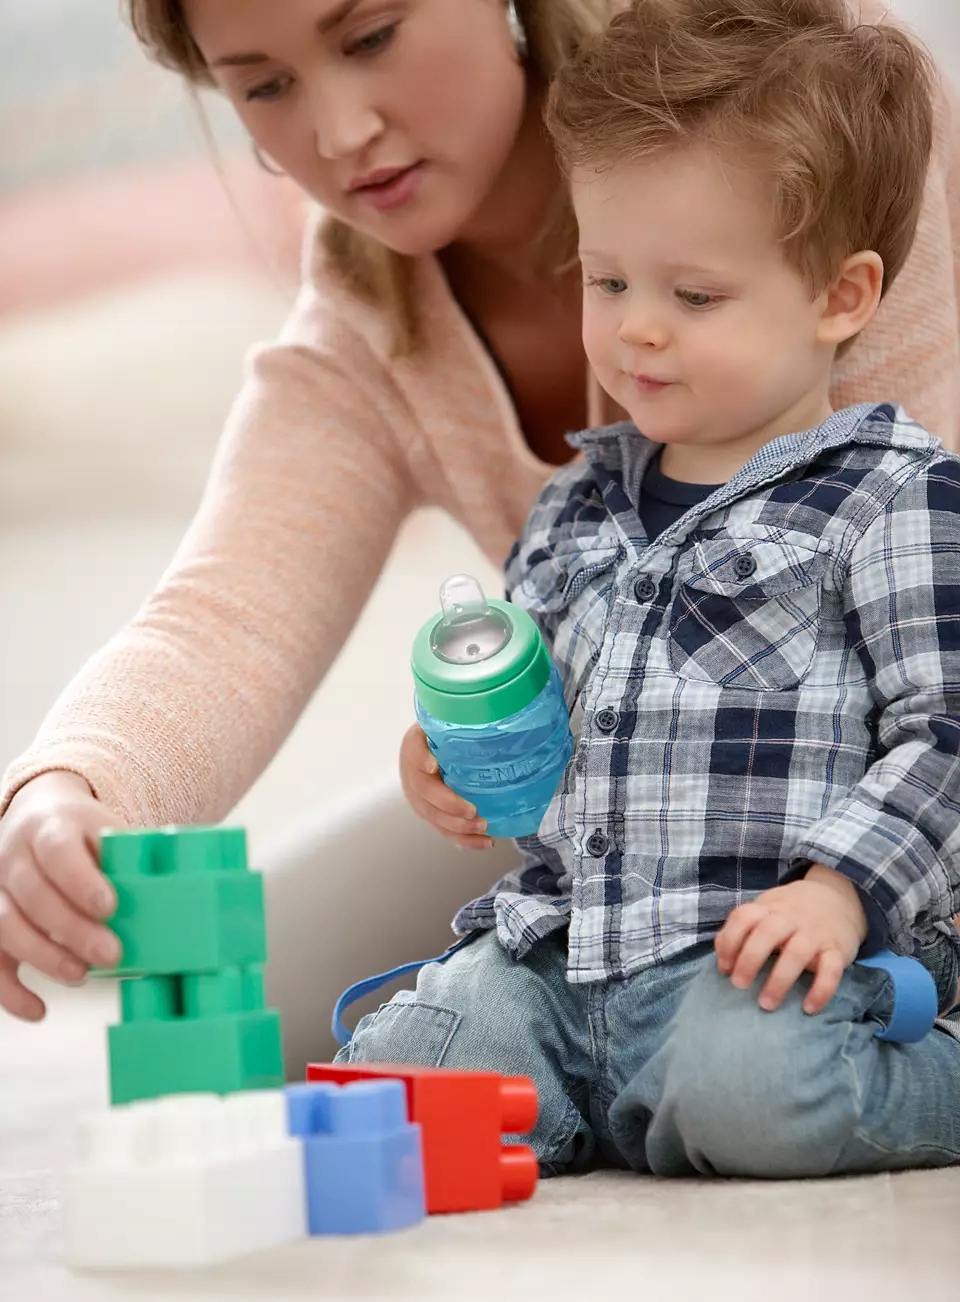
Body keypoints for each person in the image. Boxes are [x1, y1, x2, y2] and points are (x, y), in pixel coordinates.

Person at [0, 0, 957, 1026]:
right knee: (244, 1008)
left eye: (370, 37)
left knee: (749, 1049)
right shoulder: (365, 330)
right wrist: (66, 791)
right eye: (264, 85)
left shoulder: (798, 110)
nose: (340, 133)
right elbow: (227, 615)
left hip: (885, 826)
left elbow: (926, 629)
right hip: (628, 828)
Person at [346, 0, 960, 1179]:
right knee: (413, 1073)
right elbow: (543, 747)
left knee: (756, 1091)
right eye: (609, 279)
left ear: (840, 297)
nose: (636, 332)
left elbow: (947, 729)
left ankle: (887, 1072)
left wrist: (842, 894)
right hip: (565, 954)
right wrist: (453, 765)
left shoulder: (893, 497)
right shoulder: (572, 511)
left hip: (760, 960)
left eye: (694, 296)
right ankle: (610, 1098)